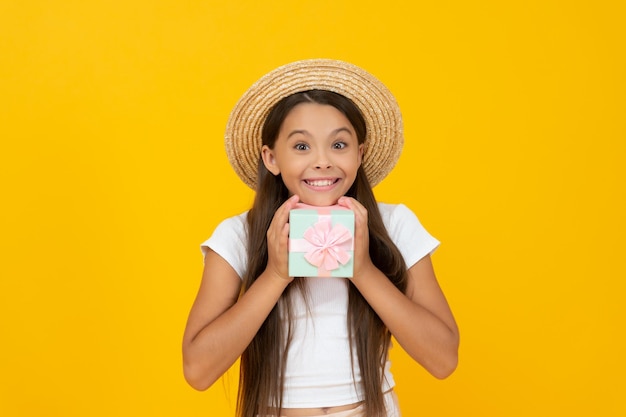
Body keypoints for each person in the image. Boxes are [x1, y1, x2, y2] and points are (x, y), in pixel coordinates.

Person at [182, 59, 459, 417]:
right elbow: (198, 370)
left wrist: (363, 271)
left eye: (339, 145)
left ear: (360, 154)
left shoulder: (395, 225)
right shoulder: (239, 235)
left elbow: (443, 359)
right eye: (301, 147)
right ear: (271, 158)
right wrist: (276, 275)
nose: (323, 162)